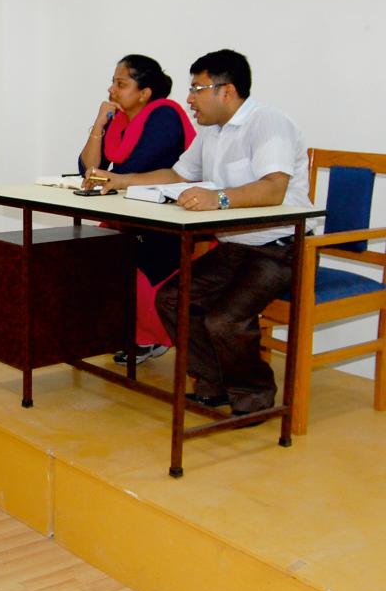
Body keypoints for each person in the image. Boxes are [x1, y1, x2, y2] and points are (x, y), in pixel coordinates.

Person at [93, 49, 314, 417]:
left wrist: (220, 198)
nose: (189, 97)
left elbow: (274, 188)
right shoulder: (212, 132)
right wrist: (121, 181)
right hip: (236, 246)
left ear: (226, 91)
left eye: (197, 88)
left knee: (224, 318)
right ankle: (213, 384)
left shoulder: (268, 123)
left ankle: (254, 397)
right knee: (172, 299)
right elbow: (178, 175)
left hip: (280, 247)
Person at [78, 55, 196, 364]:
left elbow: (136, 168)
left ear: (144, 92)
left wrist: (110, 176)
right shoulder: (118, 120)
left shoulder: (165, 115)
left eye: (121, 83)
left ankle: (150, 338)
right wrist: (99, 123)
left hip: (173, 221)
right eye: (113, 82)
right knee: (93, 255)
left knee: (127, 261)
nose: (112, 89)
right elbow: (88, 169)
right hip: (134, 214)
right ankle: (124, 333)